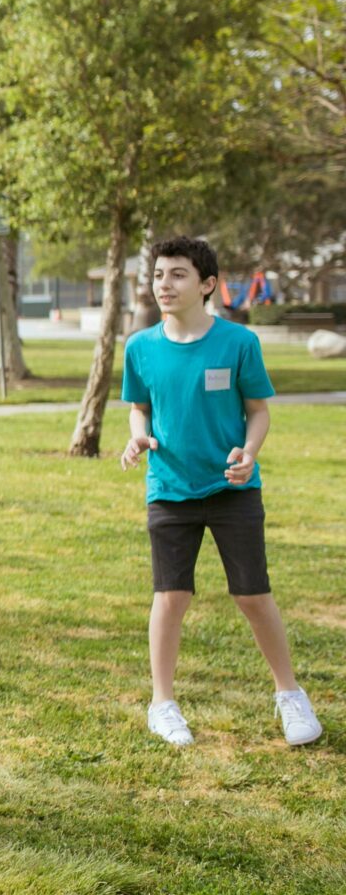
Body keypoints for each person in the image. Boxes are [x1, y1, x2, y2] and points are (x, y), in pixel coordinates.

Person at [120, 236, 322, 748]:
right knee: (171, 596)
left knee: (253, 595)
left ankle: (291, 697)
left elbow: (258, 410)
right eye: (160, 274)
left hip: (233, 489)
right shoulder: (140, 347)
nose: (165, 283)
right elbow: (139, 405)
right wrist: (137, 434)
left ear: (208, 285)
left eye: (178, 274)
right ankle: (162, 705)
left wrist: (250, 452)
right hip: (169, 488)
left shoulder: (238, 343)